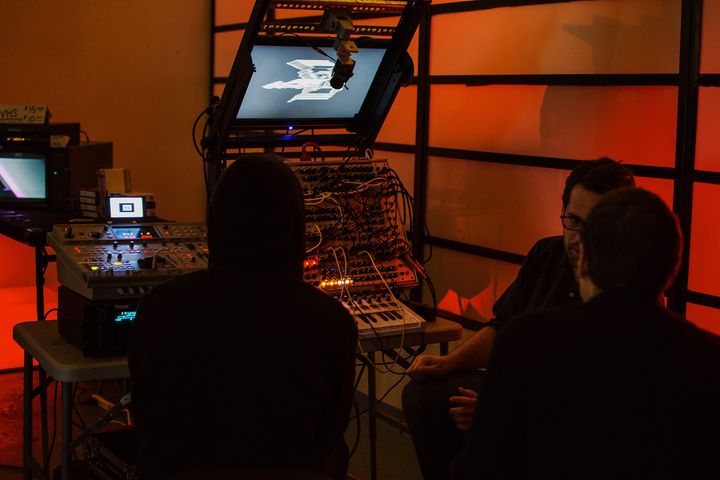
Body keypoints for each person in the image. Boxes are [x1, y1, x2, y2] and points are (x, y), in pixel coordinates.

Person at [451, 188, 720, 479]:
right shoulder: (710, 357)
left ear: (584, 260)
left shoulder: (526, 339)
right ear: (674, 268)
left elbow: (480, 467)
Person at [403, 158, 636, 480]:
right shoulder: (547, 254)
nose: (579, 237)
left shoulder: (631, 282)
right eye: (573, 220)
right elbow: (503, 325)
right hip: (519, 390)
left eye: (595, 224)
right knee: (426, 396)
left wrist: (505, 411)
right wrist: (450, 363)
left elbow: (606, 401)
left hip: (573, 416)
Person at [128, 154, 358, 480]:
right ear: (295, 227)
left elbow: (145, 415)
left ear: (217, 221)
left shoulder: (159, 306)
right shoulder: (332, 321)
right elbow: (329, 431)